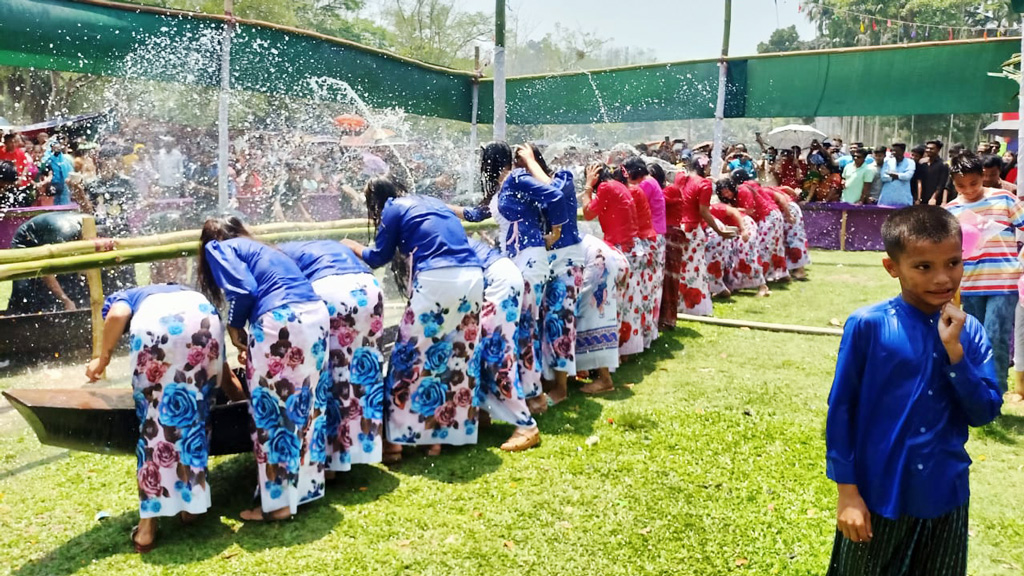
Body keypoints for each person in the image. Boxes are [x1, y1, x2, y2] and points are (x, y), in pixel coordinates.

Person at [825, 205, 1002, 576]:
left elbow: (984, 412)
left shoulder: (970, 333)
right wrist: (847, 493)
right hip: (878, 494)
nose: (943, 278)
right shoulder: (868, 326)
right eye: (924, 267)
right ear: (893, 268)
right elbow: (842, 409)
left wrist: (956, 355)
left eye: (953, 263)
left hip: (945, 494)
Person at [85, 284, 239, 553]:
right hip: (206, 318)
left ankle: (147, 529)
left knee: (154, 428)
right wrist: (240, 401)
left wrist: (102, 358)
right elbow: (224, 372)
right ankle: (191, 508)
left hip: (156, 329)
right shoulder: (187, 293)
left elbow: (118, 314)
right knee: (196, 417)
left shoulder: (124, 297)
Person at [196, 216, 330, 522]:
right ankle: (306, 489)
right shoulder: (261, 248)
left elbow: (243, 290)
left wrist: (233, 327)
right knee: (308, 402)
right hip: (314, 314)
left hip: (280, 319)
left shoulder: (218, 248)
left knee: (272, 410)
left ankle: (279, 504)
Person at [343, 177, 483, 462]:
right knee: (452, 358)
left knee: (406, 357)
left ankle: (395, 443)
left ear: (377, 201)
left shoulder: (393, 207)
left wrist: (351, 245)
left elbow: (377, 257)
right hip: (473, 277)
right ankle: (440, 438)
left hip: (437, 279)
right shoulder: (429, 200)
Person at [277, 240, 385, 476]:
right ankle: (373, 447)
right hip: (369, 288)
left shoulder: (277, 256)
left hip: (330, 292)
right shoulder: (321, 244)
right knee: (365, 370)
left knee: (329, 376)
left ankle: (330, 463)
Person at [944, 151, 1024, 392]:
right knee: (975, 340)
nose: (968, 190)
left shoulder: (1004, 199)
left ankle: (996, 392)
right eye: (961, 185)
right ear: (953, 183)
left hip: (1004, 282)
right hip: (970, 284)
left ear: (983, 177)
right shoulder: (951, 210)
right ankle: (978, 391)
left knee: (995, 336)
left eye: (974, 183)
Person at [520, 144, 584, 407]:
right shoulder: (526, 189)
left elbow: (554, 193)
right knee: (543, 319)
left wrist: (529, 161)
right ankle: (546, 379)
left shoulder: (564, 177)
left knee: (560, 320)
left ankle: (560, 387)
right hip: (545, 261)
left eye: (523, 166)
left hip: (568, 260)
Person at [466, 238, 541, 451]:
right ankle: (483, 413)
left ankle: (526, 426)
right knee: (481, 347)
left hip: (499, 282)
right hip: (502, 276)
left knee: (496, 351)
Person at [580, 162, 643, 360]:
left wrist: (588, 187)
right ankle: (626, 351)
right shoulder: (619, 185)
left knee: (612, 303)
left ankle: (612, 354)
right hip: (631, 246)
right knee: (627, 303)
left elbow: (588, 214)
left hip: (619, 249)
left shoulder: (606, 187)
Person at [661, 158, 735, 321]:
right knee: (694, 269)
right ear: (705, 166)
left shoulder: (681, 177)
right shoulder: (704, 185)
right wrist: (719, 231)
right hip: (693, 230)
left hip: (679, 227)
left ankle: (678, 305)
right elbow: (703, 211)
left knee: (679, 269)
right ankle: (694, 308)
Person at [574, 233, 629, 395]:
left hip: (598, 260)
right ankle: (582, 370)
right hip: (607, 256)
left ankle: (605, 380)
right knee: (594, 316)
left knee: (590, 316)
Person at [623, 155, 666, 349]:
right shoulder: (650, 182)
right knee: (651, 289)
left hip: (649, 239)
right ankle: (649, 333)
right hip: (655, 237)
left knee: (644, 290)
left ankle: (643, 335)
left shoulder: (643, 185)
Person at [878, 143, 916, 207]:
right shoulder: (888, 161)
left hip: (903, 197)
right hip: (887, 198)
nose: (893, 152)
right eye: (892, 150)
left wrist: (896, 175)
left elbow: (908, 176)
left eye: (895, 151)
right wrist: (897, 177)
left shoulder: (910, 162)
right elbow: (883, 177)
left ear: (902, 151)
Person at [41, 137, 75, 205]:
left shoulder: (65, 159)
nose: (57, 148)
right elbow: (43, 168)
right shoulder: (48, 159)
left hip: (64, 184)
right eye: (54, 147)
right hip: (53, 183)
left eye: (58, 146)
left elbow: (71, 171)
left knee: (65, 201)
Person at [921, 140, 951, 206]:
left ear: (938, 150)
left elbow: (941, 184)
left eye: (931, 149)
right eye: (927, 148)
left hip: (934, 201)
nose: (928, 150)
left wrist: (933, 197)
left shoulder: (943, 165)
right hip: (922, 199)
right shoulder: (923, 164)